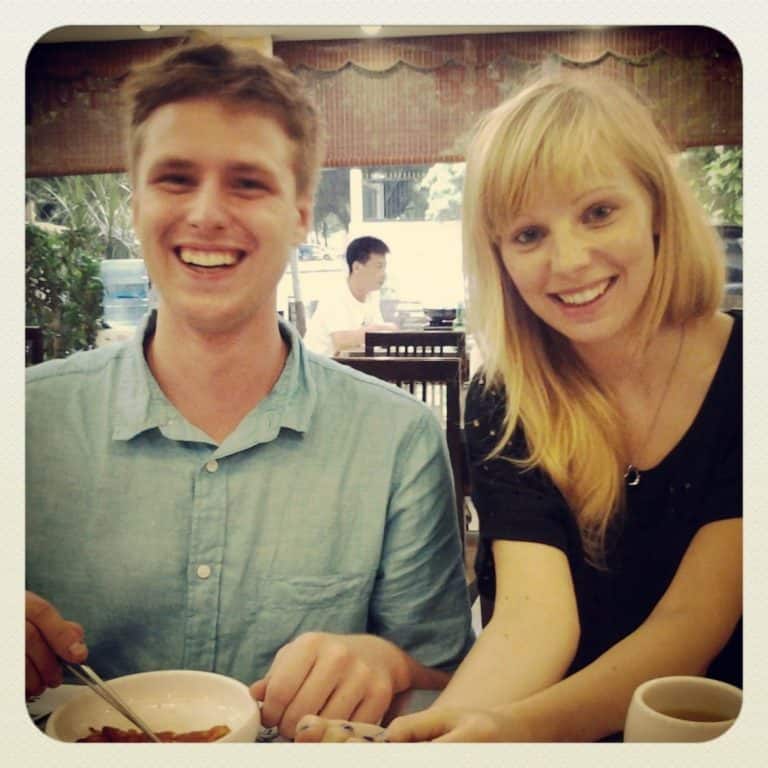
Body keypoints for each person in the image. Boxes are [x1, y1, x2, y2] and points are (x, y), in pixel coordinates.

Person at [25, 41, 473, 740]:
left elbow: (444, 674)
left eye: (247, 183)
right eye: (175, 178)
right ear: (135, 198)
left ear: (300, 214)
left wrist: (385, 664)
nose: (206, 212)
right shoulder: (24, 422)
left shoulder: (397, 440)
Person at [295, 71, 742, 743]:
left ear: (655, 209)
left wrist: (502, 733)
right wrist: (427, 742)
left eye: (598, 212)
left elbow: (692, 627)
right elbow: (535, 621)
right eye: (529, 234)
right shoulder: (503, 399)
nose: (568, 261)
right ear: (498, 256)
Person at [303, 236, 397, 356]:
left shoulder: (372, 295)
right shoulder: (335, 294)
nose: (384, 274)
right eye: (379, 267)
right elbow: (341, 341)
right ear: (357, 267)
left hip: (346, 366)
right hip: (318, 369)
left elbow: (377, 339)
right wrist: (379, 329)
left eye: (384, 267)